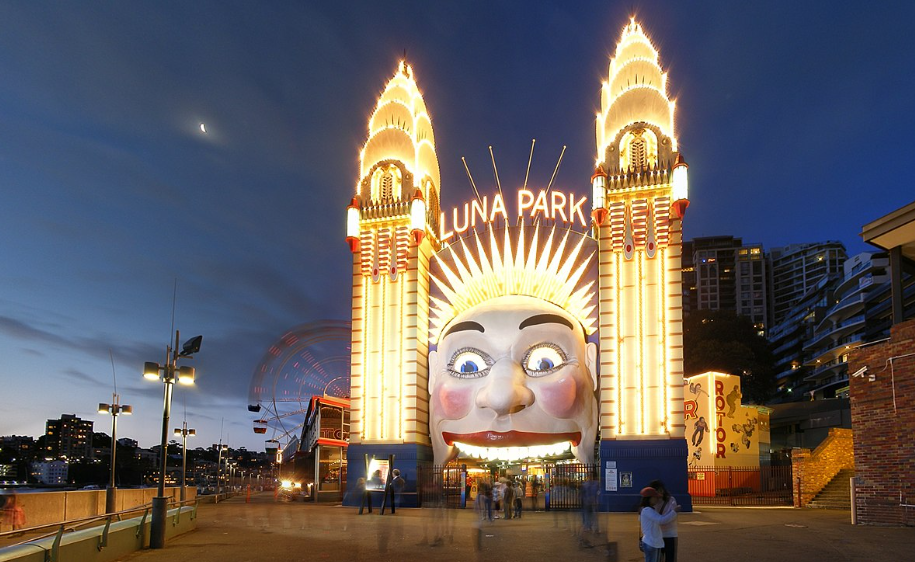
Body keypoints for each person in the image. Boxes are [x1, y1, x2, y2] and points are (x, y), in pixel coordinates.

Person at [638, 487, 676, 562]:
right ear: (649, 498)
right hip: (652, 543)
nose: (657, 499)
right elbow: (661, 520)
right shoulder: (648, 510)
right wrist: (674, 512)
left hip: (649, 542)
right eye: (655, 497)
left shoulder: (646, 510)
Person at [649, 480, 679, 562]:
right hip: (657, 535)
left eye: (660, 490)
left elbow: (671, 518)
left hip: (670, 535)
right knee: (657, 559)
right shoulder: (652, 502)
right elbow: (655, 519)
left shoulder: (671, 500)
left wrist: (661, 519)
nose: (659, 493)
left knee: (670, 558)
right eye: (656, 491)